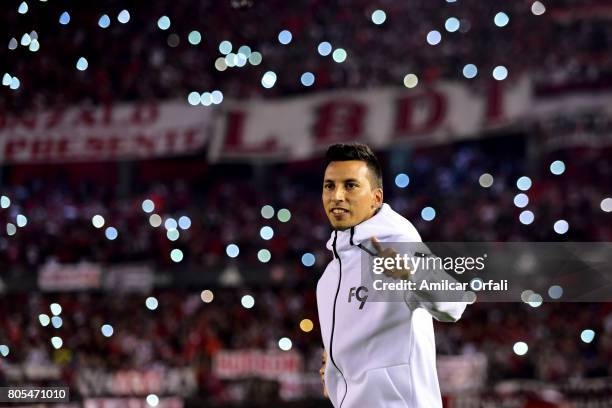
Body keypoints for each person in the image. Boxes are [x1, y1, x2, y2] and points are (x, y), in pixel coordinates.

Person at [317, 143, 466, 407]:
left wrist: (413, 275)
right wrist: (336, 372)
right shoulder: (329, 278)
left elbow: (455, 303)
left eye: (350, 185)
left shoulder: (398, 246)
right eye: (330, 186)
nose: (337, 195)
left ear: (376, 198)